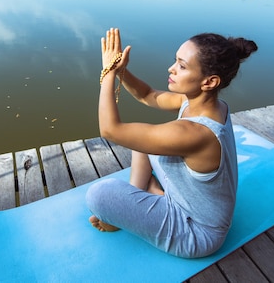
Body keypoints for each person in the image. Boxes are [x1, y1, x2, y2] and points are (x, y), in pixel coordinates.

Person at [86, 28, 258, 258]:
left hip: (196, 232)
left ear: (209, 81)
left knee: (99, 195)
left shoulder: (195, 133)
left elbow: (110, 130)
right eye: (176, 61)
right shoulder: (205, 103)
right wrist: (121, 71)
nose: (171, 68)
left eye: (182, 66)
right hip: (193, 203)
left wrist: (107, 72)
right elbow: (147, 95)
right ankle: (142, 196)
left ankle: (138, 206)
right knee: (145, 140)